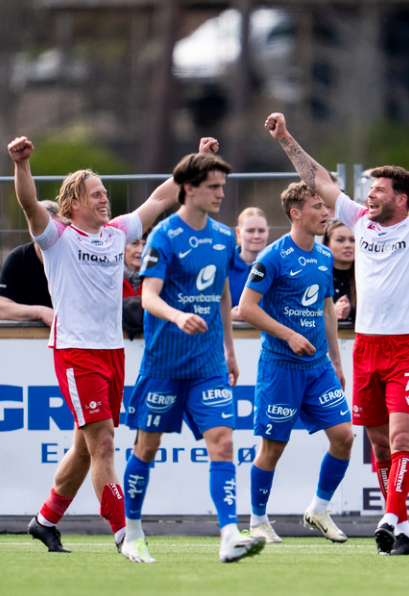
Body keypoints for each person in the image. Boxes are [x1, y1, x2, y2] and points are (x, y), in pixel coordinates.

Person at [265, 111, 409, 556]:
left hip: (406, 348)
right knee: (380, 445)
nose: (368, 195)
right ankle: (401, 527)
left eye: (379, 190)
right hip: (366, 347)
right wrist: (286, 138)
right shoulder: (361, 222)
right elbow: (320, 178)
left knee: (404, 439)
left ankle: (389, 515)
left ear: (402, 199)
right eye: (369, 189)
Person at [7, 135, 200, 556]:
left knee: (85, 446)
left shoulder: (116, 233)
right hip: (76, 352)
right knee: (104, 443)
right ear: (74, 203)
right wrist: (22, 164)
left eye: (105, 193)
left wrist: (196, 164)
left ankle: (45, 520)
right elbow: (28, 204)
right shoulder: (57, 236)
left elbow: (160, 197)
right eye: (95, 194)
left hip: (111, 352)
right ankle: (123, 532)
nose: (104, 199)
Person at [120, 150, 265, 564]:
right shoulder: (164, 236)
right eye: (214, 187)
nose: (222, 193)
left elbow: (222, 292)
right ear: (189, 189)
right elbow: (147, 297)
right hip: (164, 364)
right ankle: (132, 533)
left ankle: (229, 534)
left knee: (223, 442)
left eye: (223, 186)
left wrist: (230, 350)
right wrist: (178, 314)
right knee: (145, 449)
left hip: (208, 366)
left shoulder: (223, 236)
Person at [238, 182, 352, 544]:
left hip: (318, 367)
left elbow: (327, 309)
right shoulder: (272, 257)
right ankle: (258, 520)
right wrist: (287, 334)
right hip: (280, 368)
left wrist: (335, 359)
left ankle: (319, 509)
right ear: (296, 214)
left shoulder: (323, 256)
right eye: (318, 206)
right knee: (273, 448)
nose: (326, 212)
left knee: (344, 437)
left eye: (325, 205)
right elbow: (246, 308)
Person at [0, 201, 63, 325]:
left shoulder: (74, 256)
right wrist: (41, 312)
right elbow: (1, 309)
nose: (48, 232)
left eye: (55, 226)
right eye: (42, 226)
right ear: (31, 228)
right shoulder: (18, 258)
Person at [229, 207, 269, 320]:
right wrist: (227, 315)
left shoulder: (277, 266)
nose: (256, 236)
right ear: (238, 232)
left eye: (261, 231)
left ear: (268, 231)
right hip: (231, 333)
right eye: (250, 231)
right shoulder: (224, 264)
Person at [322, 220, 357, 323]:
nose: (348, 245)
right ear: (328, 244)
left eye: (352, 240)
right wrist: (330, 312)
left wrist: (351, 310)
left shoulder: (368, 276)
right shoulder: (318, 276)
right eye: (340, 240)